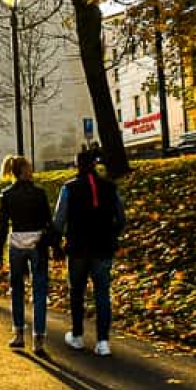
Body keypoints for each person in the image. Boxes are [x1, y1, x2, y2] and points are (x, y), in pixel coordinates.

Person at [53, 145, 127, 357]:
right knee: (102, 293)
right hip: (103, 247)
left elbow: (59, 220)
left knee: (76, 292)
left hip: (77, 247)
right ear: (95, 165)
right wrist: (111, 233)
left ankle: (77, 335)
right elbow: (122, 219)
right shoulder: (110, 187)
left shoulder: (69, 188)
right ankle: (103, 341)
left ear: (77, 165)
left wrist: (57, 242)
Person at [0, 154, 53, 353]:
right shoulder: (39, 193)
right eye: (29, 166)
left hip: (17, 244)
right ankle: (38, 339)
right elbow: (48, 221)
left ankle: (19, 334)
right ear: (24, 171)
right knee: (39, 290)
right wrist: (55, 244)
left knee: (17, 290)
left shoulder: (7, 194)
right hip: (37, 243)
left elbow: (3, 226)